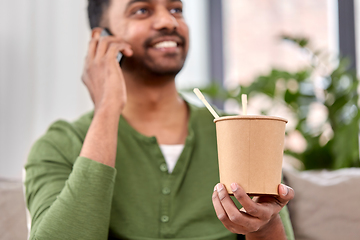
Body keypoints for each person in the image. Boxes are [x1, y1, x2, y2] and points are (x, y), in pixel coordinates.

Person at [25, 0, 295, 239]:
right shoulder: (60, 145)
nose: (168, 21)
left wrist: (264, 225)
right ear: (102, 39)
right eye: (141, 10)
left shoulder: (238, 134)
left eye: (176, 9)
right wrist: (107, 108)